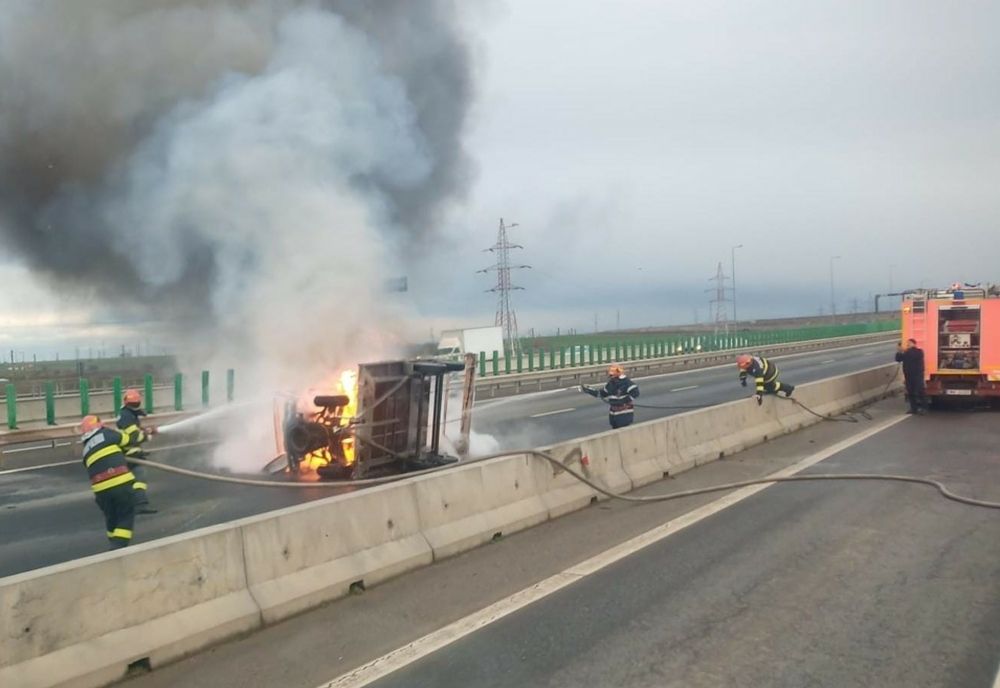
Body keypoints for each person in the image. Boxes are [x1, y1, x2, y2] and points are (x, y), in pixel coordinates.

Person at [79, 415, 138, 549]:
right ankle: (118, 547)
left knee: (111, 518)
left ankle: (113, 544)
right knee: (125, 515)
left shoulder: (86, 449)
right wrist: (143, 435)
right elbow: (128, 439)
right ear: (99, 425)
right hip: (120, 483)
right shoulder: (106, 433)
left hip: (100, 491)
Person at [116, 389, 158, 513]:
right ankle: (140, 505)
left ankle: (128, 504)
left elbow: (135, 431)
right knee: (139, 478)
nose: (136, 406)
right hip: (129, 453)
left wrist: (146, 430)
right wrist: (148, 435)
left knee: (129, 480)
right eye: (135, 404)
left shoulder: (128, 414)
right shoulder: (127, 416)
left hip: (129, 452)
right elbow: (134, 437)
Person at [580, 363, 640, 428]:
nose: (611, 378)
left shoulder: (627, 383)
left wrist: (623, 401)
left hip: (624, 415)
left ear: (618, 375)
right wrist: (589, 390)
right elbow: (602, 394)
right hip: (614, 415)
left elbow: (635, 393)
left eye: (612, 376)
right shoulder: (611, 384)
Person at [895, 338, 926, 414]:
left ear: (914, 344)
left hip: (917, 375)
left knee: (920, 391)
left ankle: (924, 408)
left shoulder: (918, 351)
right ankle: (913, 408)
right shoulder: (906, 353)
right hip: (908, 375)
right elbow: (898, 359)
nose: (908, 344)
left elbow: (911, 354)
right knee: (910, 392)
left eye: (910, 343)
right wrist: (899, 351)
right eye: (907, 343)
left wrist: (904, 350)